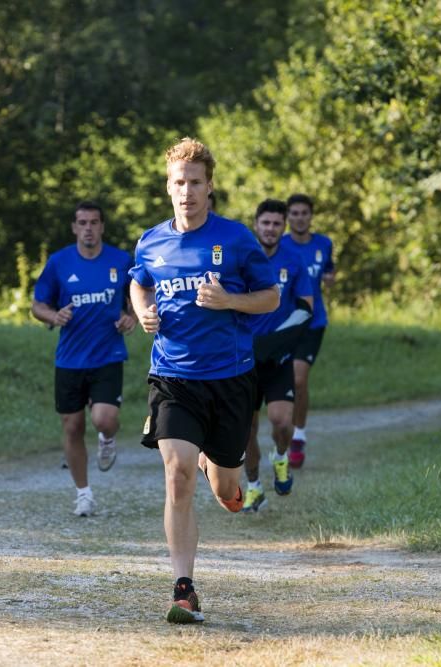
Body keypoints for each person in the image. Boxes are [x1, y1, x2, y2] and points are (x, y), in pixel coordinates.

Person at [129, 137, 279, 624]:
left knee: (226, 490)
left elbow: (271, 297)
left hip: (231, 380)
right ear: (168, 187)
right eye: (179, 183)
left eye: (196, 183)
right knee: (177, 477)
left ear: (209, 187)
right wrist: (143, 310)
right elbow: (139, 280)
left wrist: (230, 301)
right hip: (173, 376)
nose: (187, 191)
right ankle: (184, 588)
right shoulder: (151, 241)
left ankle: (221, 468)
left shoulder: (235, 240)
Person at [31, 201, 136, 517]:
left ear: (102, 226)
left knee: (103, 418)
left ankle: (107, 437)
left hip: (107, 355)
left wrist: (131, 317)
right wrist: (54, 314)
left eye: (94, 222)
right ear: (74, 227)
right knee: (73, 427)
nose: (88, 228)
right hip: (70, 360)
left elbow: (140, 298)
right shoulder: (59, 263)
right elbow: (38, 305)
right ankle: (83, 494)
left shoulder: (121, 261)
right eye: (82, 222)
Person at [242, 199, 313, 512]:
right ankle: (255, 487)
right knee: (248, 429)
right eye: (265, 223)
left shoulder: (295, 261)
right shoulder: (240, 259)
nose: (270, 229)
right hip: (243, 359)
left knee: (281, 422)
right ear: (256, 224)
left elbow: (306, 308)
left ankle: (281, 458)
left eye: (276, 224)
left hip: (278, 360)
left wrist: (275, 343)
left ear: (283, 227)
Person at [284, 193, 335, 468]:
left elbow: (328, 269)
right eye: (295, 213)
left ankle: (298, 436)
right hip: (282, 324)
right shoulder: (278, 246)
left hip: (313, 323)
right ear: (288, 217)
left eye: (304, 213)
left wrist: (330, 278)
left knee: (299, 379)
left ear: (311, 216)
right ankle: (281, 432)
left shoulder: (323, 244)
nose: (300, 218)